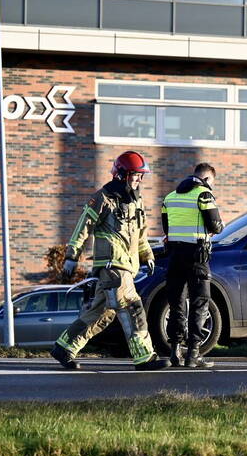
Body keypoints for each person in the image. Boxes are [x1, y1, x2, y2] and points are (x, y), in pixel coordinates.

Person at [51, 151, 169, 371]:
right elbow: (83, 226)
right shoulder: (103, 197)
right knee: (132, 307)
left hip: (126, 265)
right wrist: (71, 256)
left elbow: (140, 235)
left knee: (101, 314)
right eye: (134, 175)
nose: (138, 179)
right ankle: (144, 356)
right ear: (122, 174)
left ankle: (64, 348)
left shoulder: (136, 200)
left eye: (140, 176)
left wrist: (148, 255)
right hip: (112, 265)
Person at [161, 162, 224, 368]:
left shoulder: (169, 197)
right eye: (211, 182)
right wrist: (216, 227)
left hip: (175, 256)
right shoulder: (204, 195)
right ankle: (193, 355)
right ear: (206, 179)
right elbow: (216, 225)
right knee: (199, 303)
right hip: (197, 256)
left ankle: (174, 352)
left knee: (177, 303)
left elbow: (166, 228)